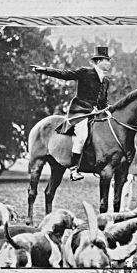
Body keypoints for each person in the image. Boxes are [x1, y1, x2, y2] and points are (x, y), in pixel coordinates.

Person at [31, 46, 113, 180]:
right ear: (98, 61)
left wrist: (107, 110)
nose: (108, 63)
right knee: (82, 134)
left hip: (95, 114)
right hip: (79, 112)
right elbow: (65, 74)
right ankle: (74, 169)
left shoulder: (106, 81)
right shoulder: (85, 72)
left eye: (109, 61)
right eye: (106, 60)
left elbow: (102, 102)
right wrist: (45, 70)